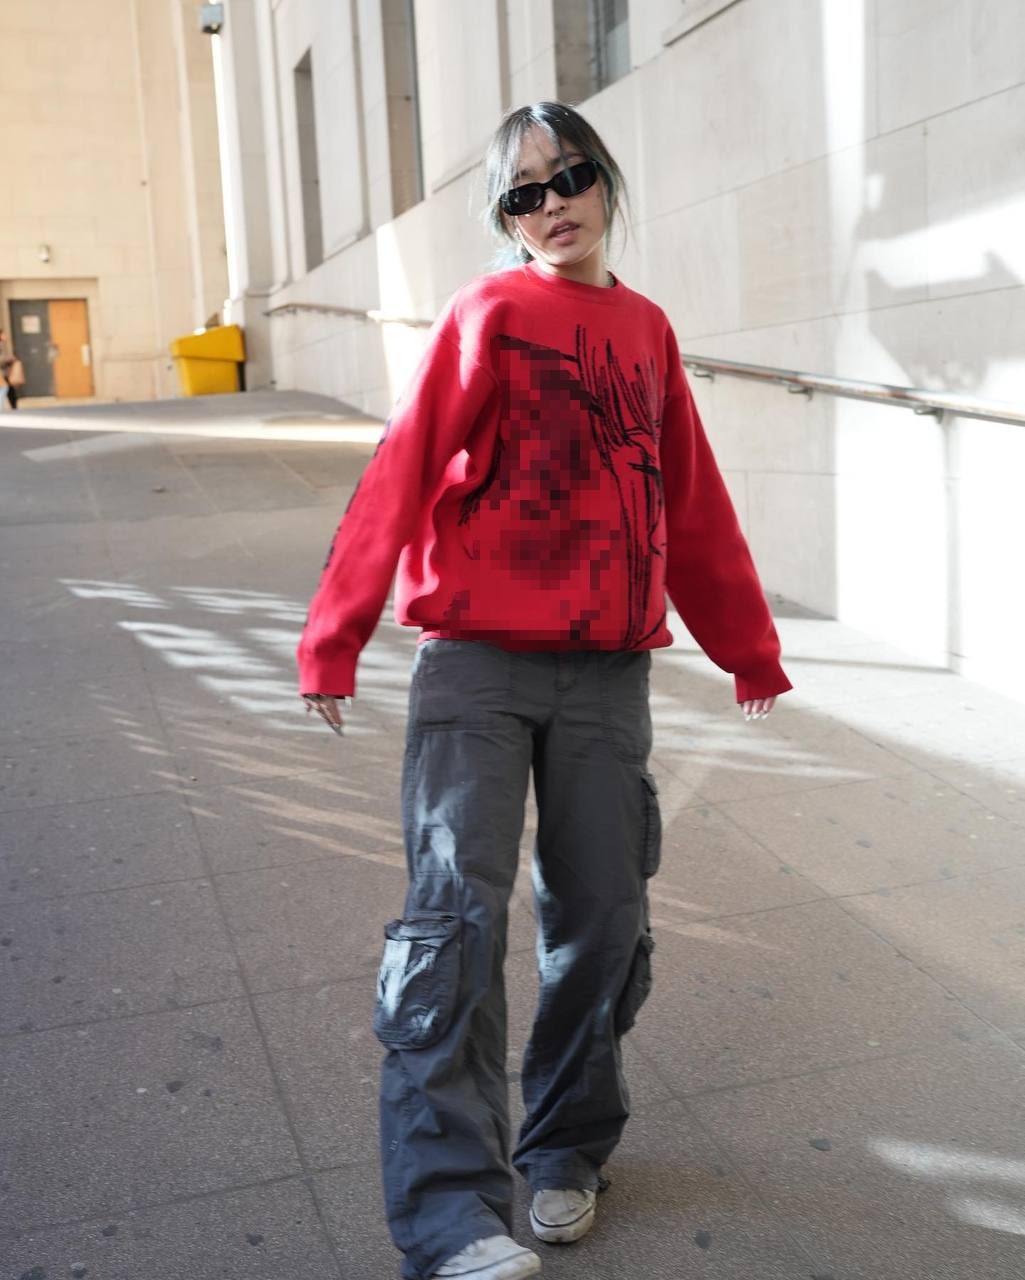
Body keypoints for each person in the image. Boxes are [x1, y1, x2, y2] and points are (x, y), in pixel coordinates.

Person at [297, 101, 792, 1280]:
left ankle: (565, 1145)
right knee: (453, 925)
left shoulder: (646, 329)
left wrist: (745, 644)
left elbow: (688, 498)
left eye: (568, 176)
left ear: (604, 180)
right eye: (523, 192)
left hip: (606, 673)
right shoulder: (488, 314)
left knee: (602, 923)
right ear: (504, 217)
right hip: (475, 663)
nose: (552, 202)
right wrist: (335, 631)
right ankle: (449, 1214)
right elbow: (402, 465)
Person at [0, 328, 19, 410]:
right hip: (2, 372)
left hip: (5, 372)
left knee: (8, 389)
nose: (5, 336)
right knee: (5, 388)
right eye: (3, 334)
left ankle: (14, 406)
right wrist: (10, 359)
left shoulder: (3, 345)